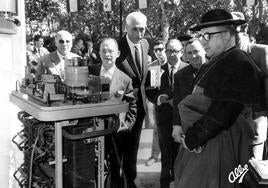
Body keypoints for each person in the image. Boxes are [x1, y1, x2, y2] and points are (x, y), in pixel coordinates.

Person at [173, 9, 266, 188]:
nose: (202, 41)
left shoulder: (239, 63)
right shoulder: (218, 60)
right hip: (207, 144)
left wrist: (193, 138)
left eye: (207, 35)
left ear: (226, 35)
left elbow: (224, 112)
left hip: (220, 147)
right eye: (201, 36)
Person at [146, 39, 188, 188]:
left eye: (175, 51)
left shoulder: (187, 69)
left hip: (182, 120)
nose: (171, 54)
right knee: (165, 154)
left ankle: (178, 182)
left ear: (181, 52)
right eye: (168, 51)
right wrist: (158, 98)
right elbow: (150, 92)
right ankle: (164, 184)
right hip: (163, 119)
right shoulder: (156, 70)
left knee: (179, 155)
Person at [115, 11, 150, 188]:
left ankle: (131, 180)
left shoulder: (145, 44)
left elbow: (142, 77)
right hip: (121, 109)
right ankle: (116, 182)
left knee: (133, 148)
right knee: (117, 150)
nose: (139, 33)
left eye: (142, 29)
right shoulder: (116, 47)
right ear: (126, 28)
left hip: (139, 108)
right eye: (135, 29)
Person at [232, 11, 268, 160]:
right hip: (229, 130)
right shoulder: (223, 55)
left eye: (233, 27)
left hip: (254, 127)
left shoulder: (261, 52)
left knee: (252, 176)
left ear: (244, 28)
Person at [172, 39, 206, 143]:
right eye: (189, 53)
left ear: (204, 50)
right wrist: (177, 125)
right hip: (189, 127)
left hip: (211, 124)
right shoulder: (179, 75)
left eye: (196, 51)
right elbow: (177, 102)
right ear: (185, 56)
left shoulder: (215, 68)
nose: (193, 56)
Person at [145, 40, 167, 166]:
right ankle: (154, 156)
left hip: (175, 103)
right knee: (157, 130)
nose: (159, 52)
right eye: (156, 50)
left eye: (161, 49)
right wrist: (157, 101)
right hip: (159, 104)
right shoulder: (153, 67)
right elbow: (152, 89)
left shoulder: (173, 63)